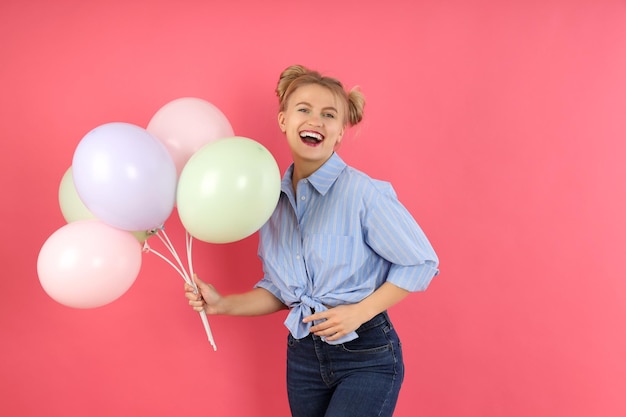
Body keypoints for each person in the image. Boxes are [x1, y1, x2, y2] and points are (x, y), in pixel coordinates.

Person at [185, 64, 439, 417]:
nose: (315, 120)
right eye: (304, 109)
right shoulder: (269, 201)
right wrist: (222, 304)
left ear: (339, 134)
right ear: (283, 120)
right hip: (303, 357)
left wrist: (358, 313)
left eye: (329, 115)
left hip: (365, 353)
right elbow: (280, 290)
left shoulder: (363, 193)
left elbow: (421, 262)